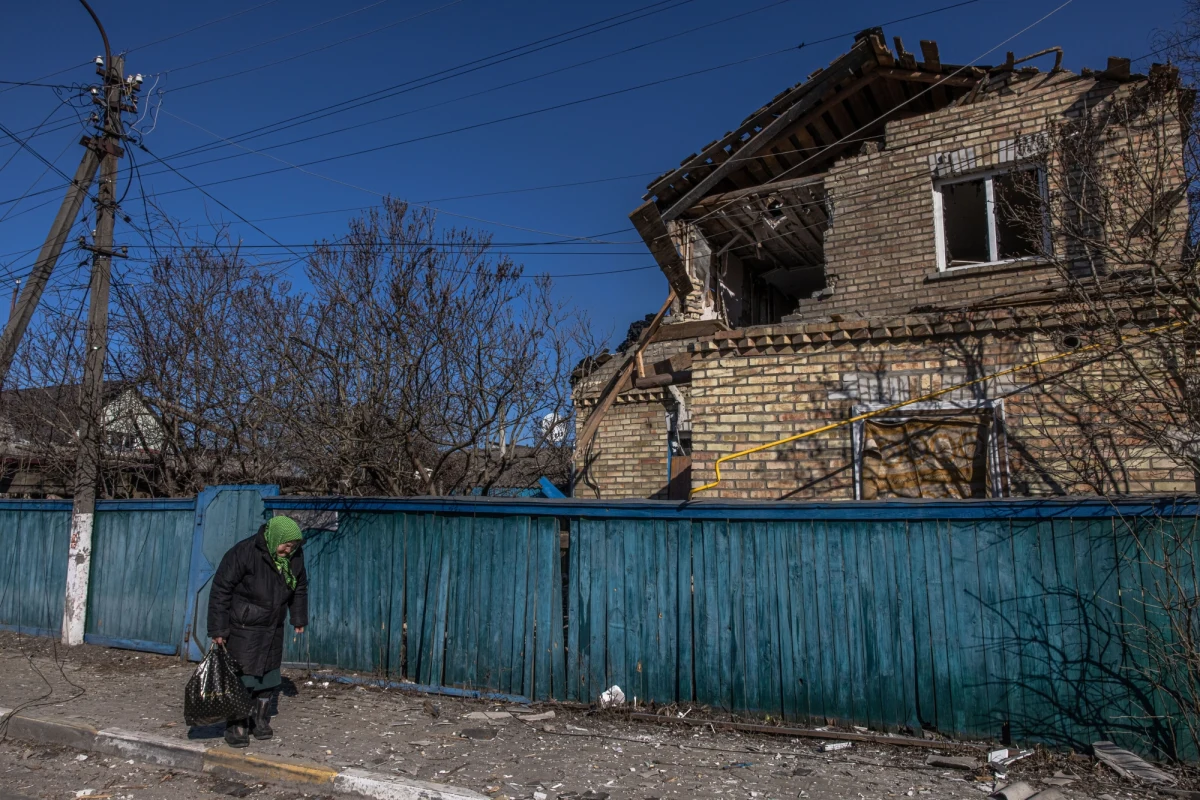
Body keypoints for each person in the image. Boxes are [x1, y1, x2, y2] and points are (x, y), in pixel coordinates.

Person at [207, 515, 308, 748]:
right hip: (244, 627)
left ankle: (260, 721)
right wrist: (218, 629)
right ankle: (237, 725)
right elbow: (221, 590)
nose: (289, 549)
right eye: (286, 544)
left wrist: (298, 617)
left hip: (273, 626)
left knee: (269, 676)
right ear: (275, 538)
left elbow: (299, 587)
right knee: (242, 676)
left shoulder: (294, 558)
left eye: (294, 546)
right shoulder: (243, 552)